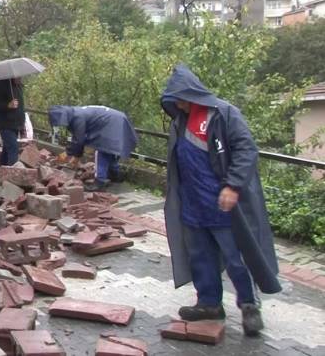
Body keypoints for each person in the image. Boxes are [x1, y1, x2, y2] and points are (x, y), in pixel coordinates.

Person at [161, 64, 281, 337]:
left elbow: (246, 150)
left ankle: (249, 305)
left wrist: (233, 186)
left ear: (192, 94)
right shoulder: (179, 121)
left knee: (236, 257)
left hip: (222, 204)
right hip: (192, 203)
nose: (177, 102)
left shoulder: (223, 114)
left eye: (180, 96)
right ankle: (209, 303)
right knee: (200, 256)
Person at [48, 105, 137, 191]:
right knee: (110, 150)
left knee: (101, 150)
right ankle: (115, 175)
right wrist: (68, 154)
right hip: (118, 119)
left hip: (112, 122)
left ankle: (100, 182)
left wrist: (75, 158)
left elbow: (79, 140)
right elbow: (76, 140)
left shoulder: (77, 118)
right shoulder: (76, 113)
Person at [0, 78, 25, 166]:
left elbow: (21, 107)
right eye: (19, 76)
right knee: (13, 148)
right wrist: (7, 105)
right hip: (5, 124)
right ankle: (12, 176)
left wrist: (22, 125)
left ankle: (1, 168)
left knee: (7, 149)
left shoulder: (19, 86)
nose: (20, 78)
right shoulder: (0, 85)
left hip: (16, 124)